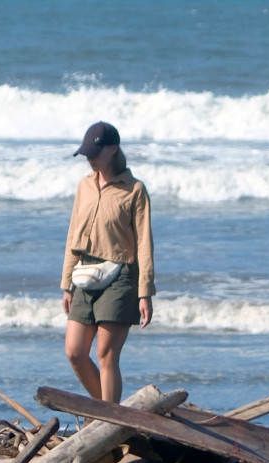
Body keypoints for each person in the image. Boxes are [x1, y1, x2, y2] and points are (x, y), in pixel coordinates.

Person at [60, 121, 154, 403]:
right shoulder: (84, 187)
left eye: (95, 153)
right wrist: (66, 283)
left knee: (106, 354)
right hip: (84, 274)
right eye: (87, 153)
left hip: (121, 275)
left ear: (113, 150)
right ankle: (112, 416)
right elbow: (72, 234)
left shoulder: (134, 190)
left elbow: (144, 244)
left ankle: (108, 421)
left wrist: (145, 292)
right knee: (75, 352)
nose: (90, 158)